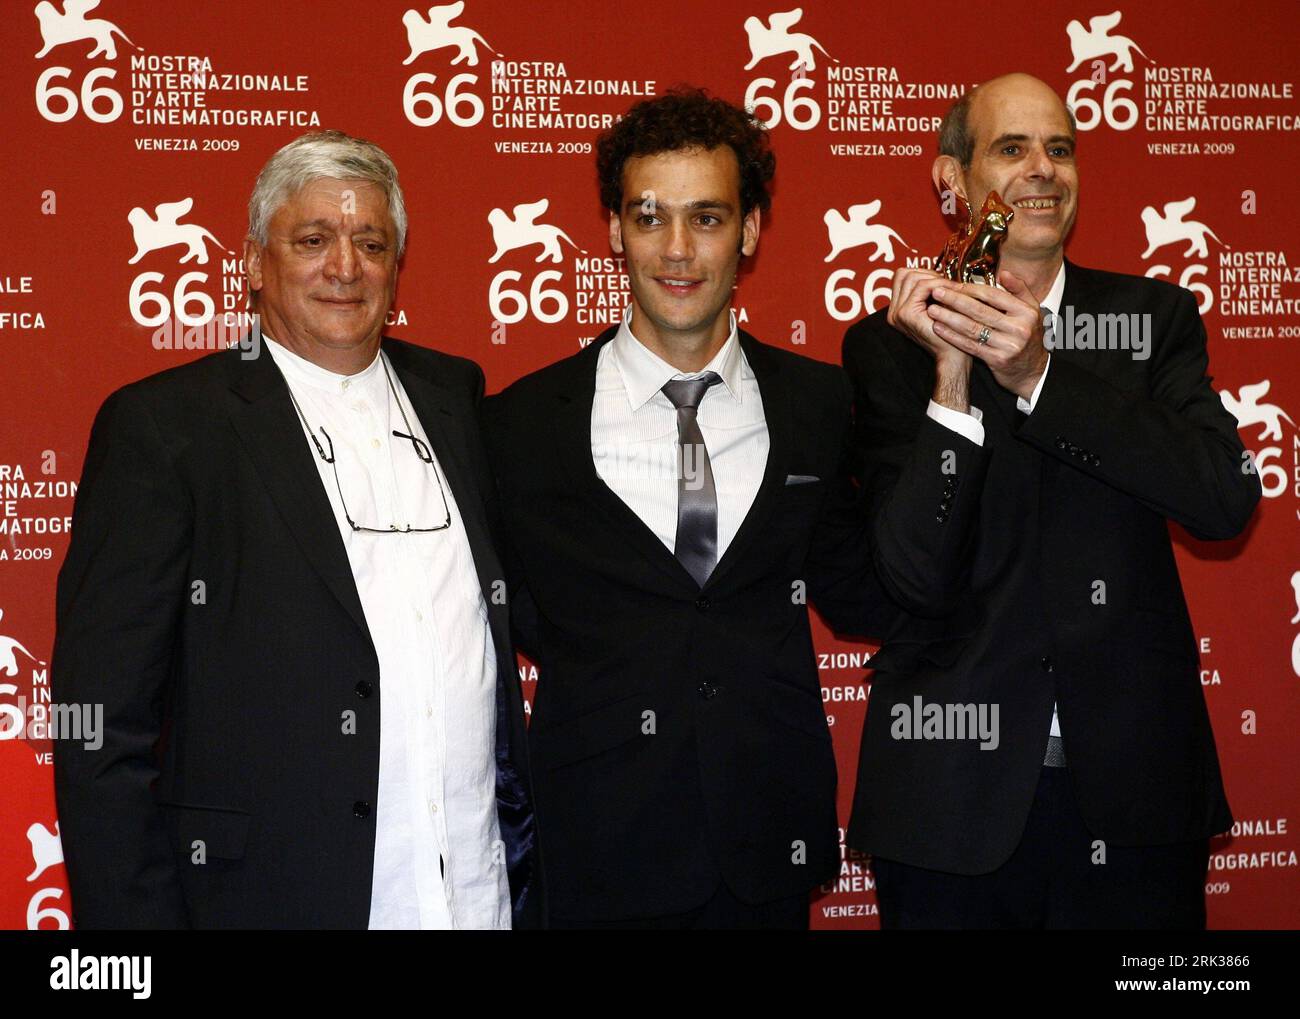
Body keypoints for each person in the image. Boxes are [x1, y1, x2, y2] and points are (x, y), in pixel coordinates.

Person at [51, 129, 538, 929]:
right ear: (252, 261)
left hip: (476, 900)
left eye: (370, 242)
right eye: (312, 239)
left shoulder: (457, 401)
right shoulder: (167, 428)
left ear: (396, 263)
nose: (344, 266)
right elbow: (98, 730)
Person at [842, 73, 1261, 929]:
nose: (1043, 169)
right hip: (950, 806)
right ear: (952, 182)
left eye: (1060, 148)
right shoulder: (892, 349)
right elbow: (911, 575)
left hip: (1138, 803)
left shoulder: (1152, 319)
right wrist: (951, 379)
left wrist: (1040, 376)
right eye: (1012, 148)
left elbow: (1223, 499)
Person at [482, 89, 889, 929]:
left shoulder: (817, 404)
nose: (676, 249)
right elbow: (515, 610)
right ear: (612, 229)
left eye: (706, 218)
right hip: (596, 844)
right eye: (649, 216)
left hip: (764, 843)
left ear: (749, 231)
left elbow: (860, 588)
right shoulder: (520, 421)